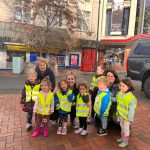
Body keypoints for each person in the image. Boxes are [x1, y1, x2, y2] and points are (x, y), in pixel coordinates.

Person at [116, 79, 137, 148]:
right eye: (120, 85)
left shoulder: (131, 98)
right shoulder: (120, 94)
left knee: (126, 129)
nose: (121, 87)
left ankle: (125, 141)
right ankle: (122, 138)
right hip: (121, 115)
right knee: (122, 127)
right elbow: (117, 100)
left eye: (123, 86)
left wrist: (130, 118)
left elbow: (132, 110)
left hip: (127, 117)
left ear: (128, 87)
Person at [35, 57, 57, 123]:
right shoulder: (36, 71)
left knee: (50, 104)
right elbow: (35, 81)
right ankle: (40, 120)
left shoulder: (50, 72)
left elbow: (53, 82)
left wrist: (50, 90)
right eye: (40, 65)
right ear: (38, 66)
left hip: (48, 90)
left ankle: (52, 118)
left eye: (43, 65)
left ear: (46, 65)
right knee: (40, 105)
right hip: (40, 91)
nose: (42, 67)